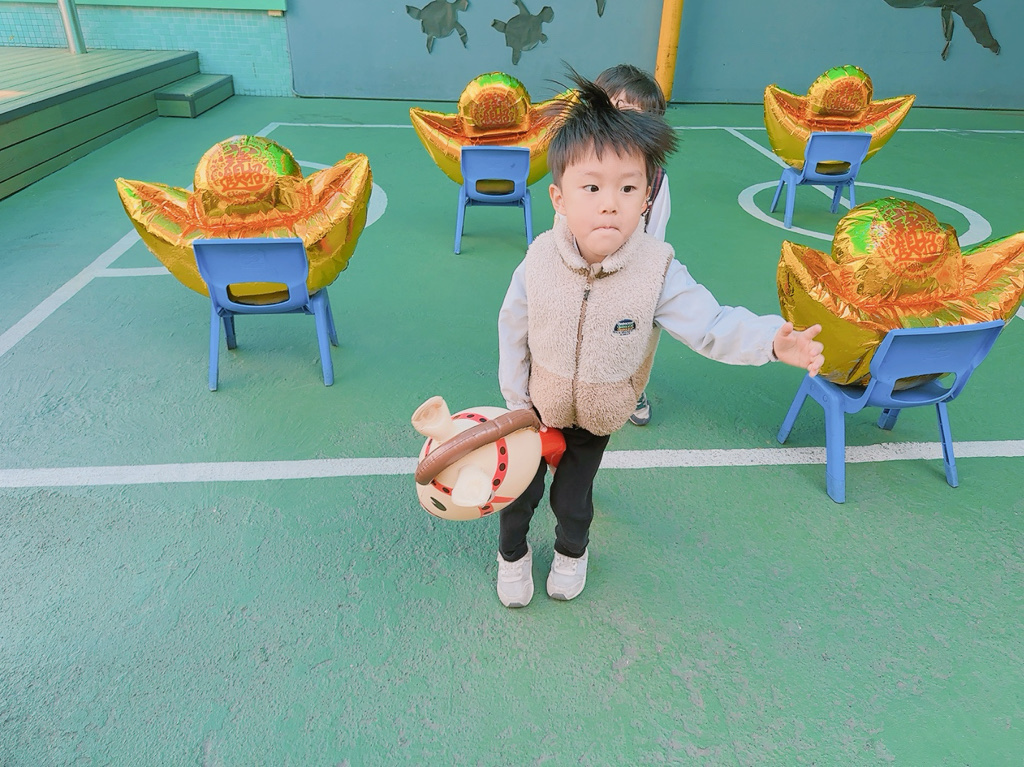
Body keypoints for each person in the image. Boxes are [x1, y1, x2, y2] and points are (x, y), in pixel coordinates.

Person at [493, 74, 824, 608]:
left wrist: (771, 340)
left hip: (598, 413)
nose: (610, 204)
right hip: (537, 406)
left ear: (647, 197)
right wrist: (516, 401)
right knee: (519, 494)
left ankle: (571, 553)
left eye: (628, 189)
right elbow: (513, 327)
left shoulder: (656, 271)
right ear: (559, 196)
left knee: (573, 501)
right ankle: (512, 556)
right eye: (592, 188)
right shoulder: (539, 260)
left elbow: (711, 324)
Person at [596, 63, 670, 426]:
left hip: (631, 269)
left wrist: (640, 285)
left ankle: (632, 387)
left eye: (632, 113)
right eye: (612, 107)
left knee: (641, 329)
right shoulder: (579, 163)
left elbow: (655, 234)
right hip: (584, 267)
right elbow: (563, 224)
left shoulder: (656, 178)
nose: (620, 120)